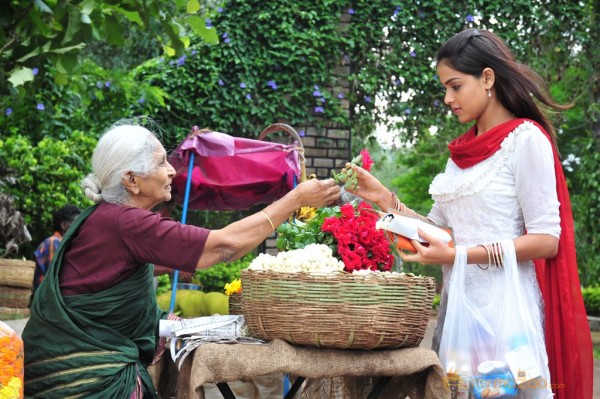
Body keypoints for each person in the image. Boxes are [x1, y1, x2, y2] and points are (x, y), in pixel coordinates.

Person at [346, 29, 592, 399]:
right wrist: (385, 199)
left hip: (509, 318)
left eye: (455, 86)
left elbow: (546, 240)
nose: (448, 98)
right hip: (459, 312)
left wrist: (460, 255)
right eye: (446, 88)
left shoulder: (526, 141)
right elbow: (438, 232)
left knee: (510, 392)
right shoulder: (460, 157)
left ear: (487, 78)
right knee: (457, 392)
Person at [22, 121, 340, 398]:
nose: (172, 170)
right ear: (131, 180)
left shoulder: (103, 218)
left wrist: (173, 263)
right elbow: (224, 246)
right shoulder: (126, 222)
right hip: (85, 377)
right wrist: (295, 199)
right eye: (161, 163)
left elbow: (111, 274)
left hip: (56, 365)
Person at [32, 204, 81, 295]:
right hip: (47, 298)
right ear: (64, 225)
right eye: (76, 223)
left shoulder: (61, 243)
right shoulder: (54, 242)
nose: (80, 228)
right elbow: (56, 276)